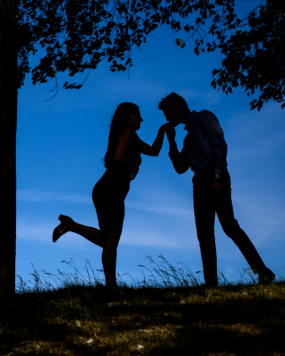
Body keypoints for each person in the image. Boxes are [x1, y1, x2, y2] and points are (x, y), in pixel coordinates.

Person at [159, 92, 275, 286]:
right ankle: (211, 284)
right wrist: (171, 141)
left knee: (230, 227)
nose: (167, 118)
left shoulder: (204, 116)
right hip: (199, 183)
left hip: (215, 177)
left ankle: (263, 272)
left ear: (179, 107)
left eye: (168, 112)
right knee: (204, 234)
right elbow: (181, 168)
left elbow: (219, 145)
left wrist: (217, 177)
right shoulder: (187, 140)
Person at [53, 102, 171, 287]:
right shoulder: (127, 132)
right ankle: (111, 286)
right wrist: (134, 166)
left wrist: (162, 131)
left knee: (108, 240)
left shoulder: (130, 136)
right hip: (110, 191)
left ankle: (71, 225)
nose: (141, 118)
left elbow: (154, 151)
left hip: (107, 190)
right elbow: (118, 157)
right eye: (138, 114)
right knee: (111, 241)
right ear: (130, 115)